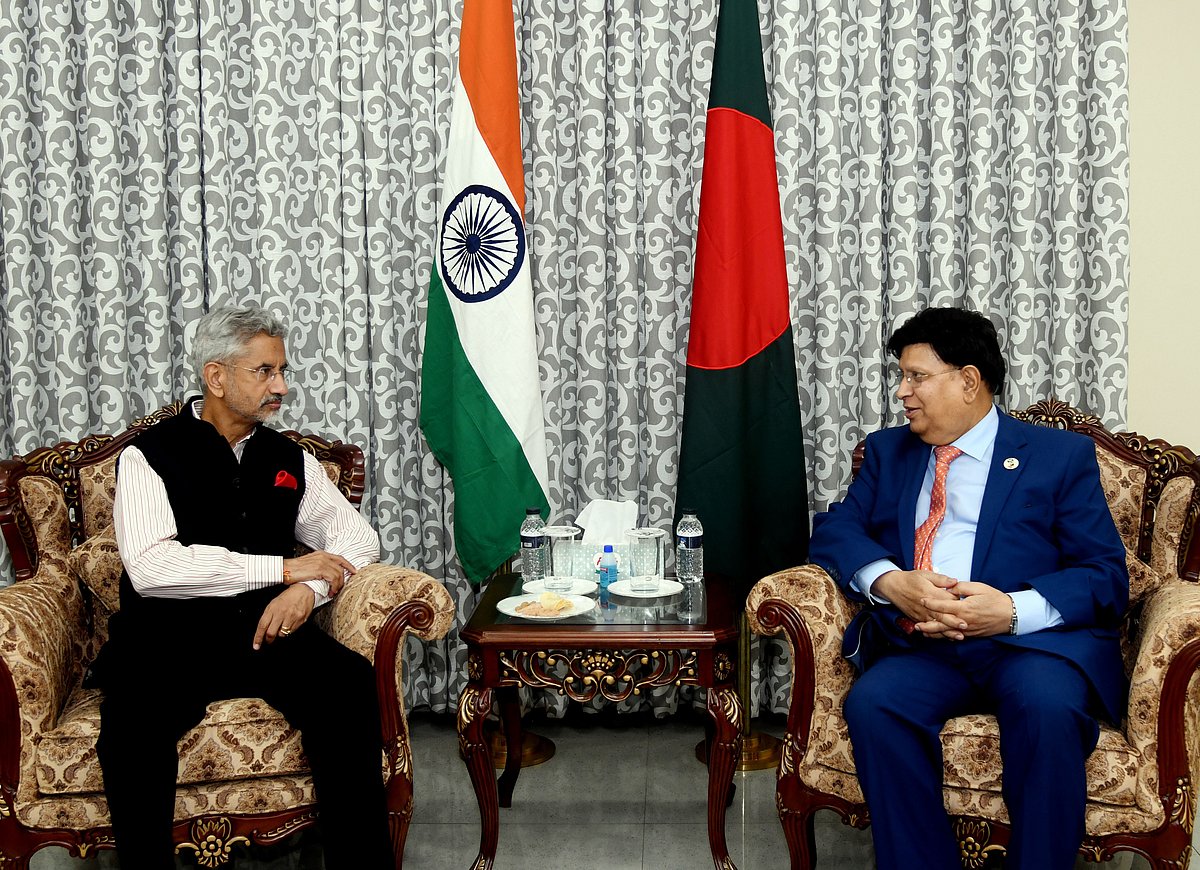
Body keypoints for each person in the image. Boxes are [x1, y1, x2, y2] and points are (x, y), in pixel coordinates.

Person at [809, 306, 1128, 870]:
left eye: (917, 376)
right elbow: (835, 530)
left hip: (1028, 647)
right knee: (875, 704)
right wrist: (890, 582)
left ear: (969, 380)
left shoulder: (1058, 457)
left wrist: (1010, 610)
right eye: (901, 377)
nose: (902, 392)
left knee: (1047, 707)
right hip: (925, 647)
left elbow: (1105, 574)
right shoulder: (888, 451)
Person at [92, 305, 395, 869]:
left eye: (282, 371)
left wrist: (310, 592)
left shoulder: (289, 458)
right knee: (130, 729)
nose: (281, 386)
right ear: (216, 376)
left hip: (264, 631)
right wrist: (282, 571)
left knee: (349, 686)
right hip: (166, 639)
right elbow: (152, 568)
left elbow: (357, 538)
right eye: (265, 371)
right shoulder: (147, 455)